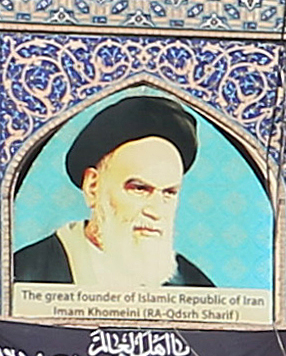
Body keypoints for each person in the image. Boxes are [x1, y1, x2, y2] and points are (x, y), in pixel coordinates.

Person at [15, 95, 218, 293]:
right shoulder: (24, 274)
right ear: (93, 187)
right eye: (140, 189)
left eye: (169, 193)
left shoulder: (195, 285)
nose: (156, 211)